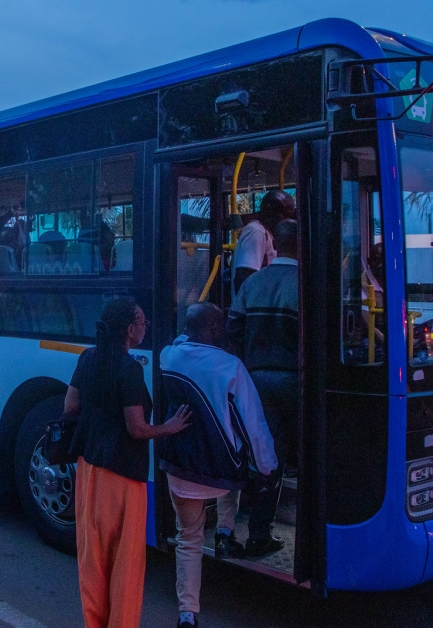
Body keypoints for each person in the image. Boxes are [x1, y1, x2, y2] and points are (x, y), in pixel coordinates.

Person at [63, 298, 192, 628]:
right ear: (131, 330)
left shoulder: (88, 357)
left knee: (93, 558)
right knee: (126, 564)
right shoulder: (129, 369)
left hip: (89, 472)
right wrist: (169, 427)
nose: (146, 328)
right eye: (144, 323)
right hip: (123, 479)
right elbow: (136, 428)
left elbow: (70, 407)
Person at [157, 303, 278, 628]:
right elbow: (253, 425)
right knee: (236, 472)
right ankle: (225, 532)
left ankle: (187, 614)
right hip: (222, 470)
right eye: (220, 324)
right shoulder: (231, 367)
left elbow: (182, 342)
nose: (225, 329)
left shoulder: (168, 356)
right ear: (211, 330)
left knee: (189, 538)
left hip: (180, 469)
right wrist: (267, 467)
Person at [225, 219, 301, 556]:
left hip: (256, 383)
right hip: (296, 383)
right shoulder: (307, 285)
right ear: (302, 245)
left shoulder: (252, 283)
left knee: (268, 460)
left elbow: (233, 332)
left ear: (277, 245)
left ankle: (258, 534)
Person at [231, 189, 295, 294]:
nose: (288, 220)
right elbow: (244, 278)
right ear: (270, 211)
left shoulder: (266, 232)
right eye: (286, 214)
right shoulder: (257, 232)